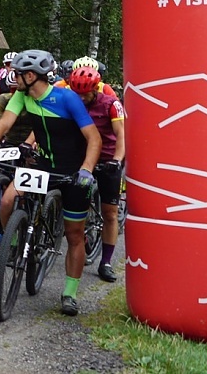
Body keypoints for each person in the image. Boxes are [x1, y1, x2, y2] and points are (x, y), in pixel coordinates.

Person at [0, 49, 101, 316]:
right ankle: (15, 245)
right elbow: (3, 125)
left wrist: (87, 169)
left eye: (18, 74)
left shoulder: (66, 98)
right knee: (8, 200)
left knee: (74, 234)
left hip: (73, 171)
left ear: (30, 76)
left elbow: (94, 138)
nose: (13, 78)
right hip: (42, 165)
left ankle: (70, 293)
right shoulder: (21, 95)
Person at [67, 64, 126, 283]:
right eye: (77, 94)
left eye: (86, 94)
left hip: (108, 158)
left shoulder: (111, 104)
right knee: (74, 209)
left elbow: (121, 135)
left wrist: (117, 160)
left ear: (95, 89)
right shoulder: (72, 102)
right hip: (83, 159)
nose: (81, 98)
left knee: (110, 213)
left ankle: (106, 262)